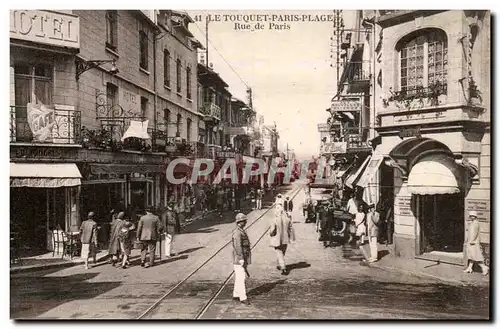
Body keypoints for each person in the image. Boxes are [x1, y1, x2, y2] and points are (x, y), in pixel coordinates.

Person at [269, 203, 295, 276]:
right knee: (282, 253)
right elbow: (291, 228)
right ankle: (279, 264)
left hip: (277, 239)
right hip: (285, 239)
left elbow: (272, 230)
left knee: (279, 253)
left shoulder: (275, 219)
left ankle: (283, 268)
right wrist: (291, 238)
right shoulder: (287, 219)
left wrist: (271, 234)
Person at [232, 213, 251, 305]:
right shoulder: (237, 233)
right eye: (244, 221)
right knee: (241, 277)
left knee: (239, 277)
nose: (246, 222)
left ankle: (236, 294)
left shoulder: (241, 231)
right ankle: (243, 297)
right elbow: (238, 246)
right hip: (239, 258)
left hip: (243, 257)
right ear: (240, 222)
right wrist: (241, 259)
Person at [464, 211, 489, 275]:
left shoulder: (475, 223)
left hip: (473, 242)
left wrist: (472, 241)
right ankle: (469, 268)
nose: (471, 217)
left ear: (475, 217)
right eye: (470, 216)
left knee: (476, 257)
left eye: (473, 216)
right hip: (471, 242)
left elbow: (474, 233)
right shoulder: (472, 223)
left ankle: (484, 268)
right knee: (472, 256)